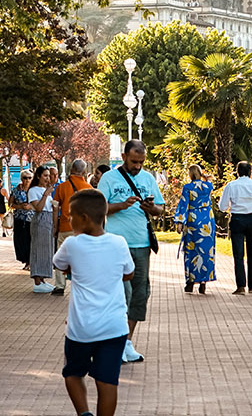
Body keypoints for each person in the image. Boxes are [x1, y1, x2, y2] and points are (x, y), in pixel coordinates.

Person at [53, 189, 135, 416]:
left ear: (84, 219)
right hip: (114, 327)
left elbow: (59, 264)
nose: (69, 219)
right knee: (107, 381)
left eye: (71, 215)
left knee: (72, 373)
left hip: (81, 329)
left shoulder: (72, 244)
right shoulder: (119, 243)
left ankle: (84, 414)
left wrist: (75, 269)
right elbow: (129, 273)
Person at [97, 140, 164, 364]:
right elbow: (98, 208)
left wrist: (151, 208)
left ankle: (126, 341)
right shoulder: (109, 178)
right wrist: (120, 206)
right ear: (124, 156)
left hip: (141, 244)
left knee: (139, 293)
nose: (138, 166)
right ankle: (114, 342)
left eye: (141, 162)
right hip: (116, 245)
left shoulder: (148, 178)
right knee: (120, 294)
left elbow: (160, 210)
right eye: (134, 161)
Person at [218, 161, 252, 295]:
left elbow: (222, 206)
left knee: (238, 254)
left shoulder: (231, 185)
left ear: (237, 171)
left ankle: (240, 286)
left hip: (237, 219)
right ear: (250, 172)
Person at [174, 164, 215, 294]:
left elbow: (183, 204)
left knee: (192, 250)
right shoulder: (208, 186)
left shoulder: (188, 187)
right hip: (207, 220)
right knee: (206, 251)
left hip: (193, 219)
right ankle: (203, 282)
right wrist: (204, 177)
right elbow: (210, 180)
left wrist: (180, 221)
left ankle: (190, 281)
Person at [53, 159, 91, 296]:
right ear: (84, 172)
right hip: (82, 229)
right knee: (81, 257)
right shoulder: (88, 188)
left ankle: (59, 285)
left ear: (70, 170)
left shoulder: (61, 187)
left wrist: (55, 227)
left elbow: (55, 208)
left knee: (60, 256)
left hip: (64, 226)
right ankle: (80, 285)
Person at [28, 166, 57, 293]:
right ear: (38, 176)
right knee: (38, 250)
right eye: (45, 175)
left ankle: (43, 278)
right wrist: (46, 194)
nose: (47, 178)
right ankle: (37, 281)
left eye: (48, 175)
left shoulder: (46, 190)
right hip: (40, 219)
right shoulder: (33, 191)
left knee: (46, 250)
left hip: (48, 219)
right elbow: (38, 208)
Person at [10, 169, 34, 269]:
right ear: (21, 178)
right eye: (25, 178)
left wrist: (31, 206)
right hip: (19, 219)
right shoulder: (16, 190)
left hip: (32, 219)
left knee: (31, 240)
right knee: (20, 241)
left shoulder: (35, 190)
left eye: (29, 178)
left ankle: (30, 262)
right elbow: (10, 204)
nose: (27, 180)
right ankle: (25, 260)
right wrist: (19, 206)